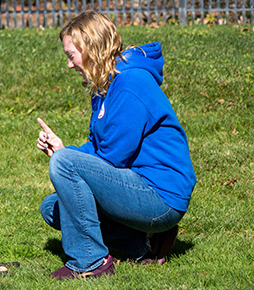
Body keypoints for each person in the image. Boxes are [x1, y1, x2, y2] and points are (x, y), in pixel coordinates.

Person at [36, 10, 196, 280]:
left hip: (161, 196)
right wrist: (65, 149)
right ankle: (140, 244)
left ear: (92, 50)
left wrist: (65, 157)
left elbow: (113, 158)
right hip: (134, 185)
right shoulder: (105, 86)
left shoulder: (130, 83)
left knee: (63, 164)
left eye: (71, 56)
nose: (69, 65)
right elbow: (101, 148)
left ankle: (90, 262)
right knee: (52, 208)